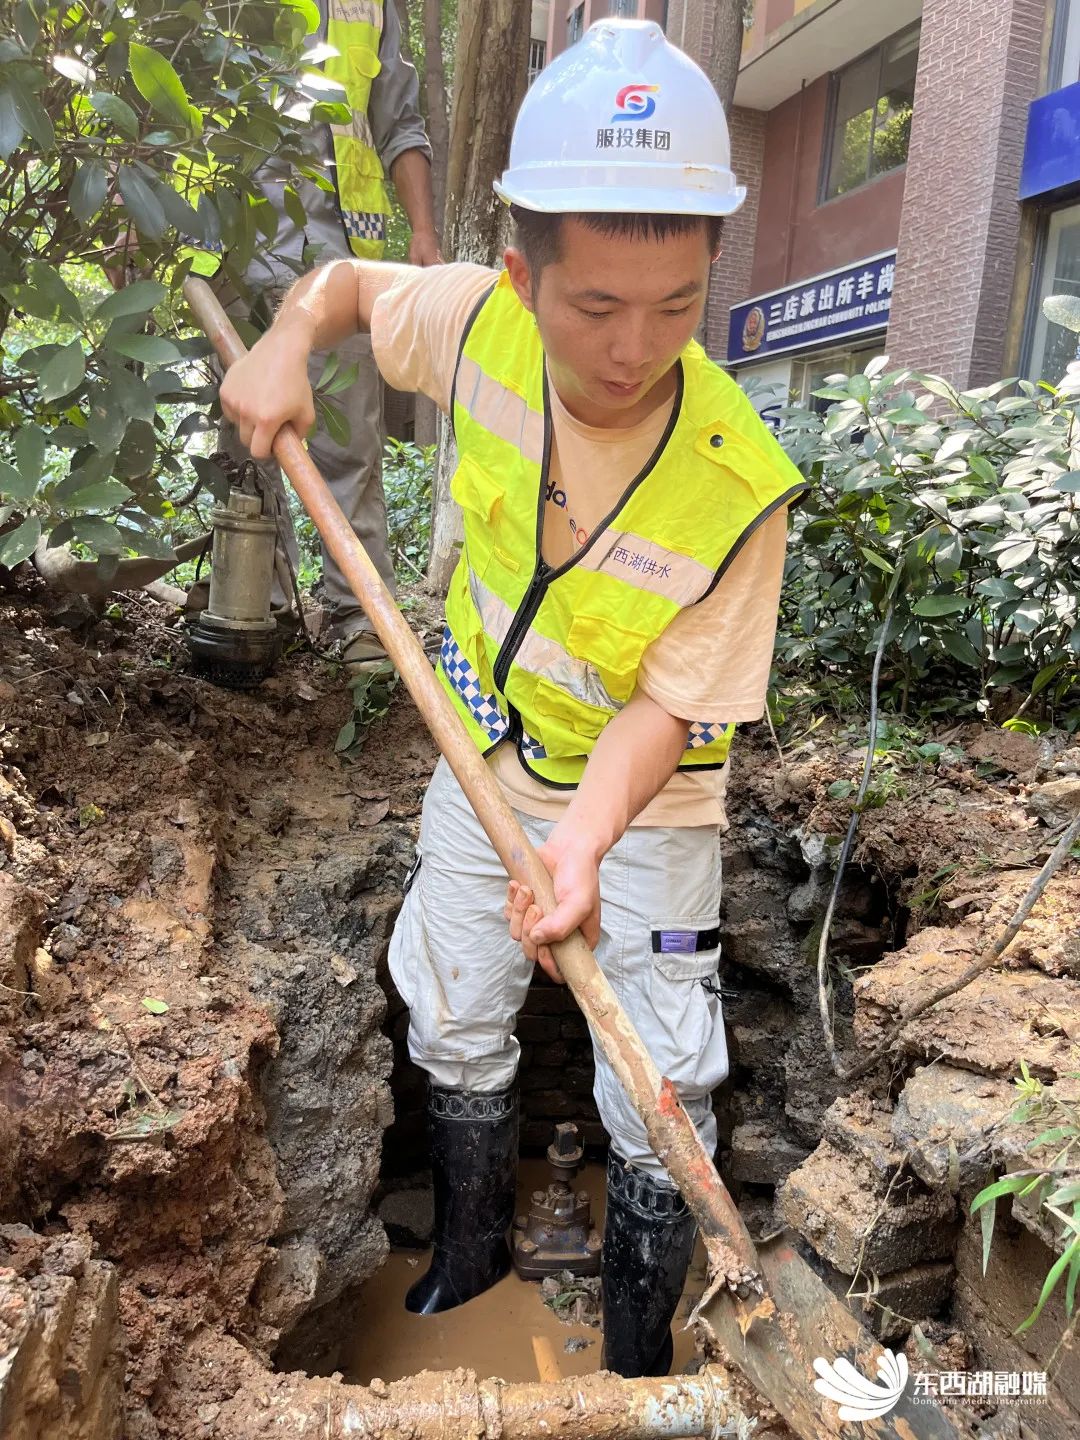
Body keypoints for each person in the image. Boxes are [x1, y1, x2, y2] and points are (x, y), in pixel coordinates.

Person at [220, 17, 806, 1378]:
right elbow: (345, 287)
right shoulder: (473, 324)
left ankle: (641, 1350)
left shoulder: (736, 484)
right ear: (521, 277)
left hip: (650, 808)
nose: (635, 347)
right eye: (596, 308)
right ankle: (470, 1260)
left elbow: (667, 712)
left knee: (661, 1073)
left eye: (677, 306)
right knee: (450, 1002)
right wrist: (286, 340)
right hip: (479, 748)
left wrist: (583, 846)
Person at [221, 0, 440, 672]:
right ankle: (257, 605)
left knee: (349, 442)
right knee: (244, 438)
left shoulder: (374, 6)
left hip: (337, 254)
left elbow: (399, 121)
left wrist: (423, 233)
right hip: (231, 237)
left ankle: (363, 617)